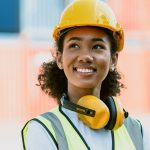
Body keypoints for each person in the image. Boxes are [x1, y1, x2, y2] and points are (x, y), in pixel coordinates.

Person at [22, 0, 150, 149]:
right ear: (59, 58)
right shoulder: (43, 130)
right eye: (74, 45)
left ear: (113, 59)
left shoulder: (137, 132)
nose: (85, 56)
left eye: (97, 46)